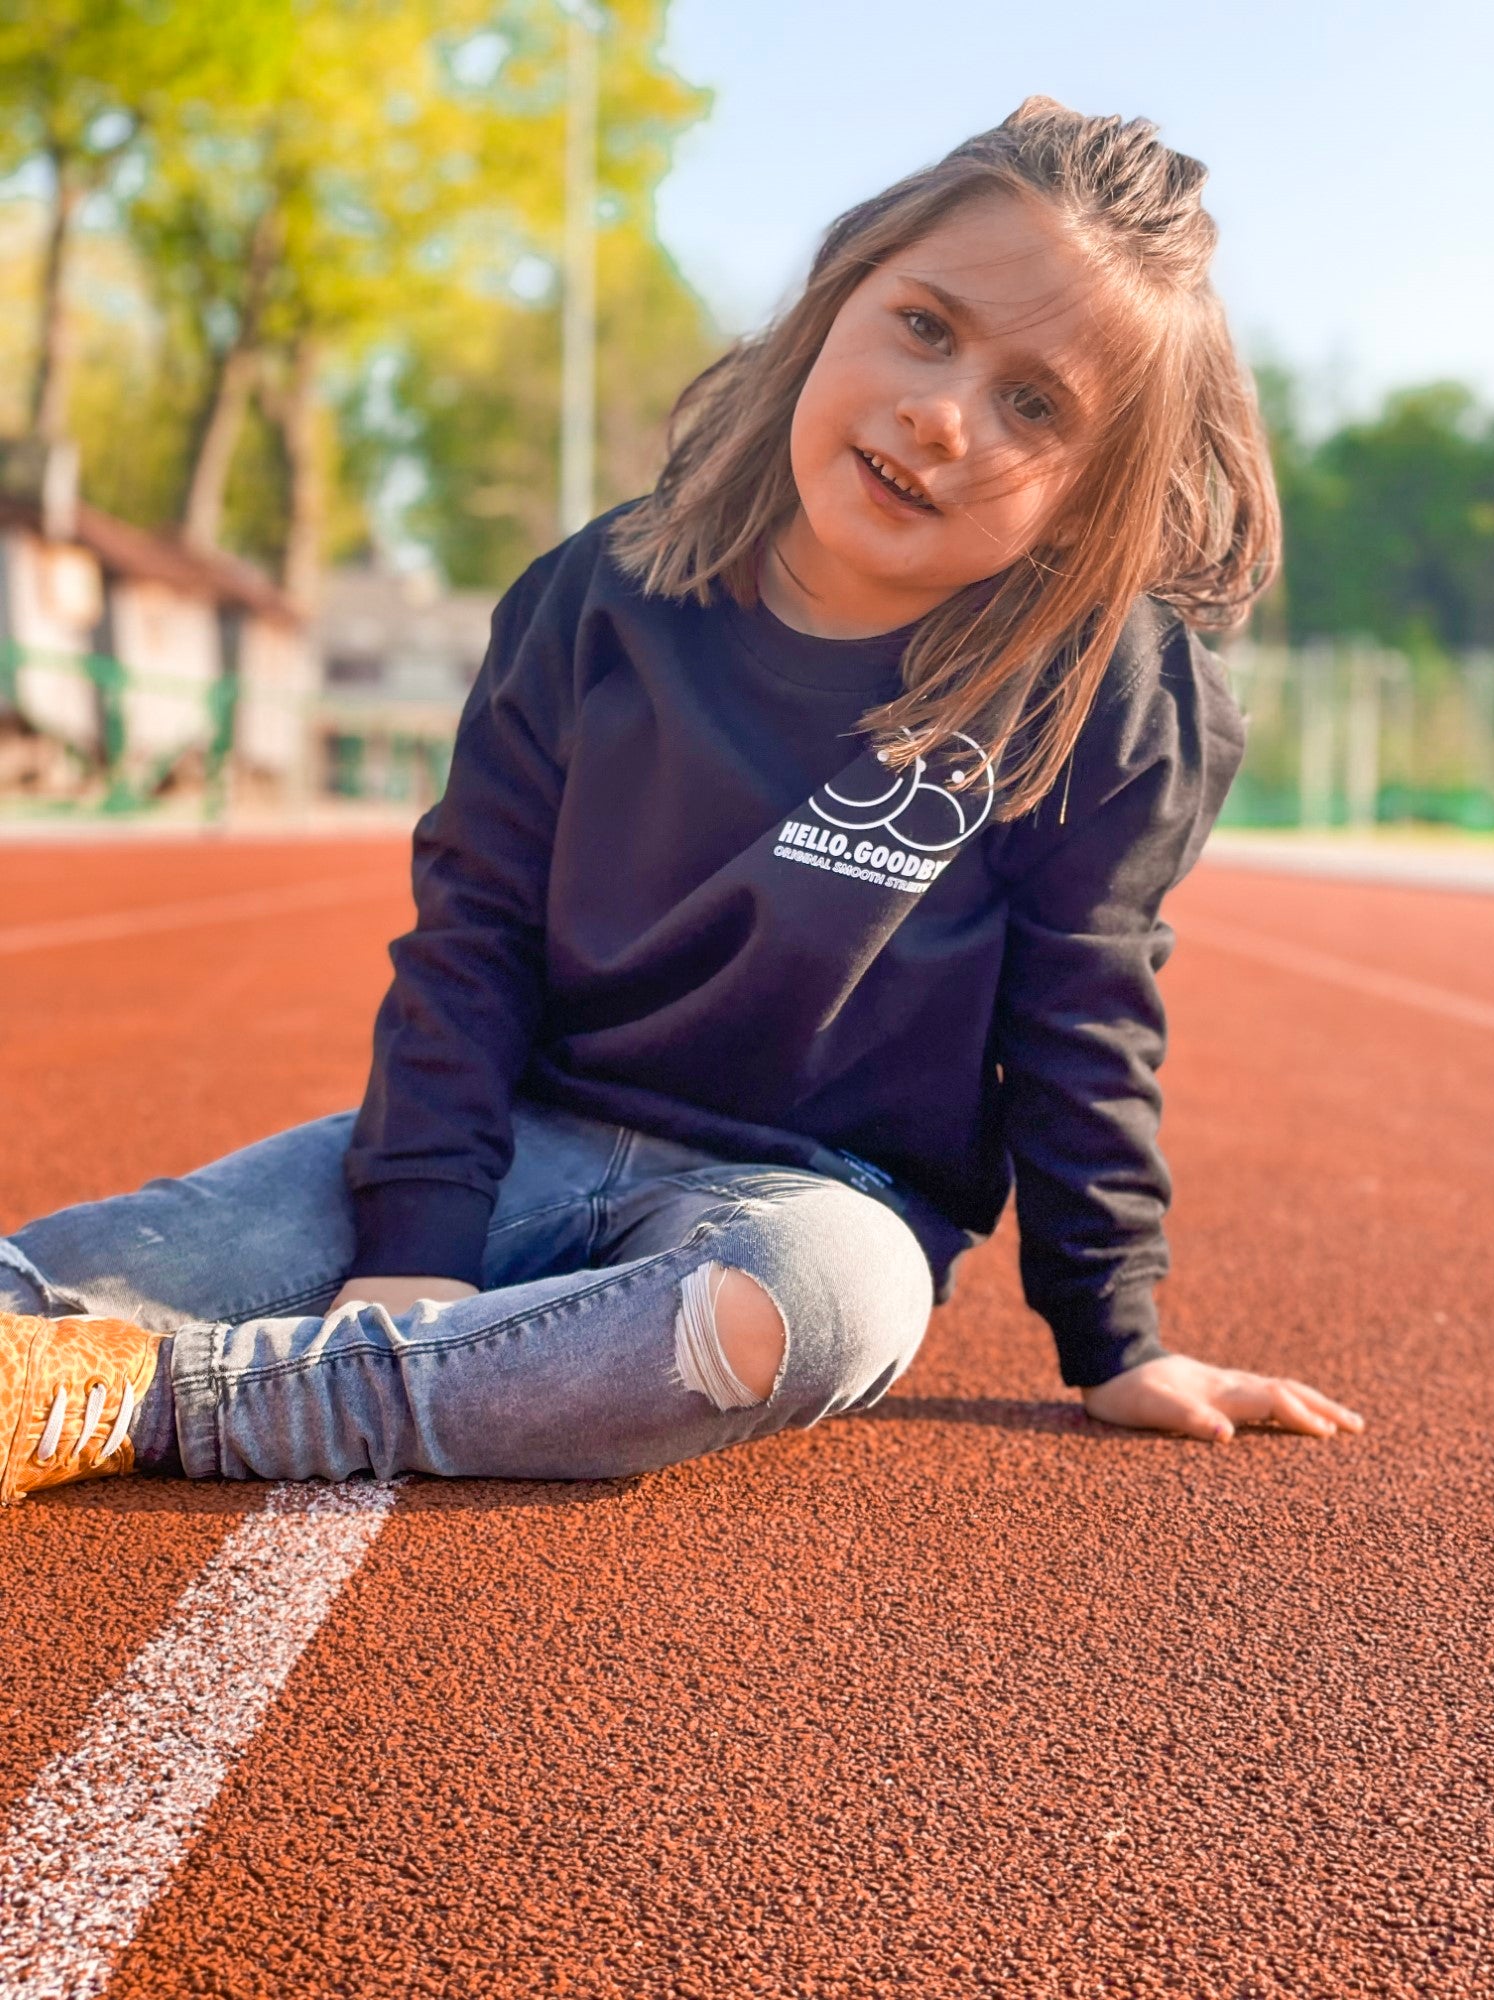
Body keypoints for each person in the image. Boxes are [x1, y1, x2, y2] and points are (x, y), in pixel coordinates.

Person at [0, 96, 1364, 1505]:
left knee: (811, 1311)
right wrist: (417, 1237)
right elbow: (471, 933)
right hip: (523, 1133)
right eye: (925, 325)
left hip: (811, 1202)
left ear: (1089, 498)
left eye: (1034, 406)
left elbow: (1082, 1025)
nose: (940, 412)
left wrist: (1117, 1332)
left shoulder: (1105, 698)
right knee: (68, 1278)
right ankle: (134, 1369)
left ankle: (192, 1406)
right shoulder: (601, 595)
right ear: (838, 298)